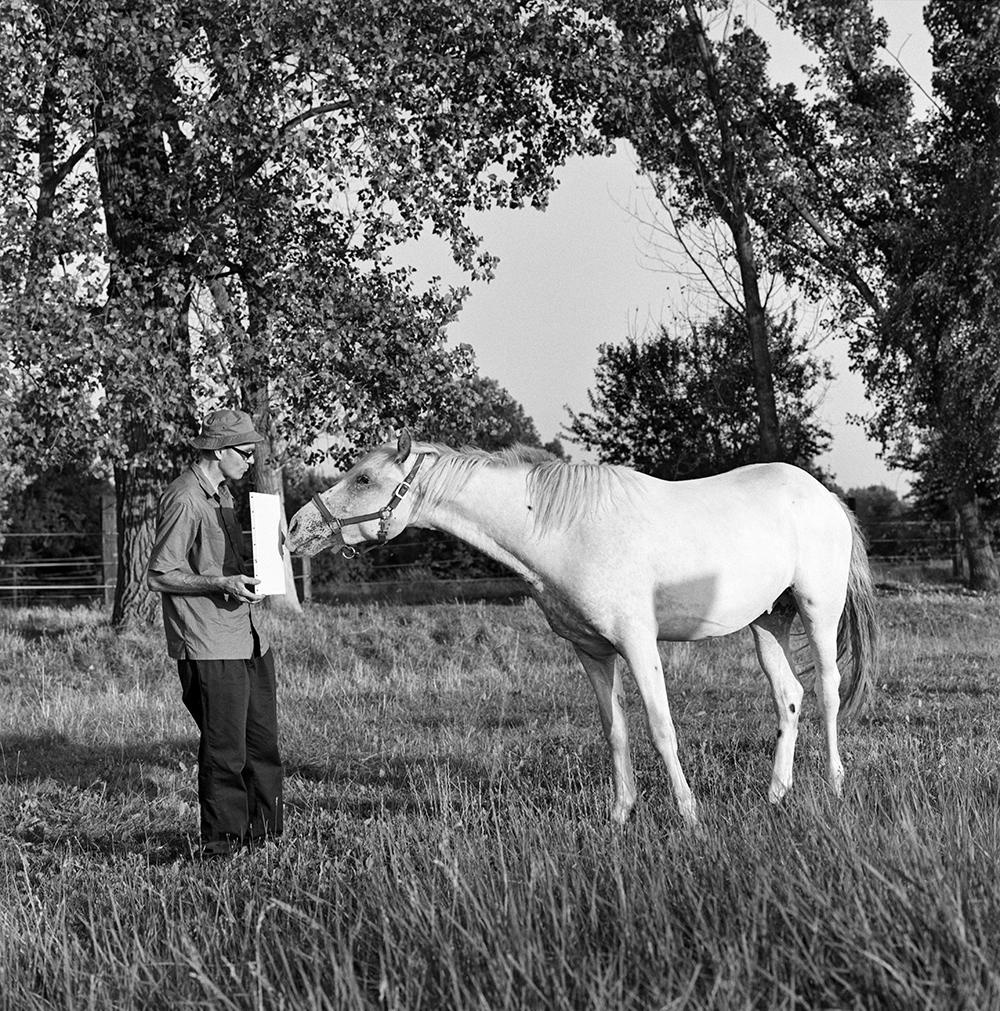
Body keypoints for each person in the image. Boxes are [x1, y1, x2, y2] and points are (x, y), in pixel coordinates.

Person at [147, 408, 283, 857]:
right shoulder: (184, 497)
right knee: (225, 751)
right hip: (208, 643)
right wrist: (220, 584)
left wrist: (265, 565)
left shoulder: (222, 494)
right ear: (219, 451)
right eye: (245, 453)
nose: (250, 461)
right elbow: (160, 574)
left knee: (261, 743)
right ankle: (222, 848)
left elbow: (222, 562)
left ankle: (266, 836)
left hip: (246, 635)